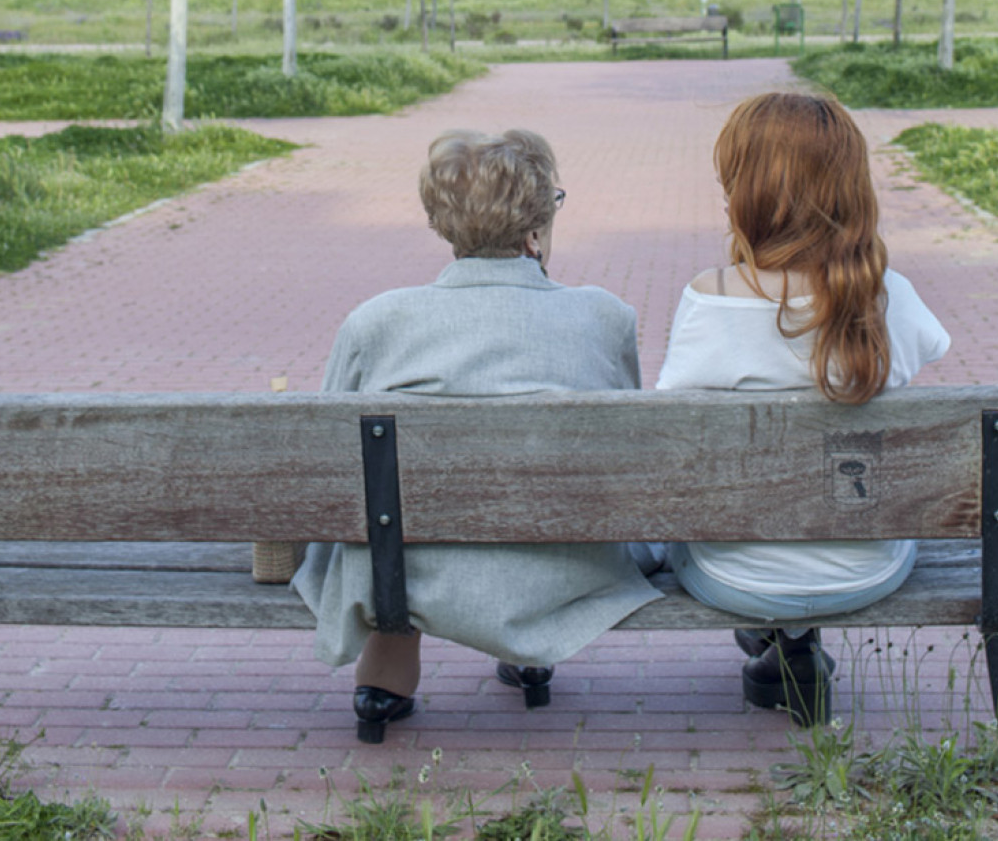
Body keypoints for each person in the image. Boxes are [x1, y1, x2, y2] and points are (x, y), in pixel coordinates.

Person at [293, 128, 661, 744]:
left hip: (406, 569)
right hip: (561, 565)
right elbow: (626, 458)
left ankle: (385, 670)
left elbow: (325, 463)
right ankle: (529, 648)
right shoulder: (604, 316)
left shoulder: (377, 321)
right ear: (537, 223)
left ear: (442, 222)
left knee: (385, 514)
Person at [654, 92, 950, 725]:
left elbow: (669, 436)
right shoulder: (888, 296)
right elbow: (928, 350)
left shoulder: (710, 301)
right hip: (865, 568)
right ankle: (792, 647)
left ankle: (779, 641)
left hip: (734, 572)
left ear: (746, 190)